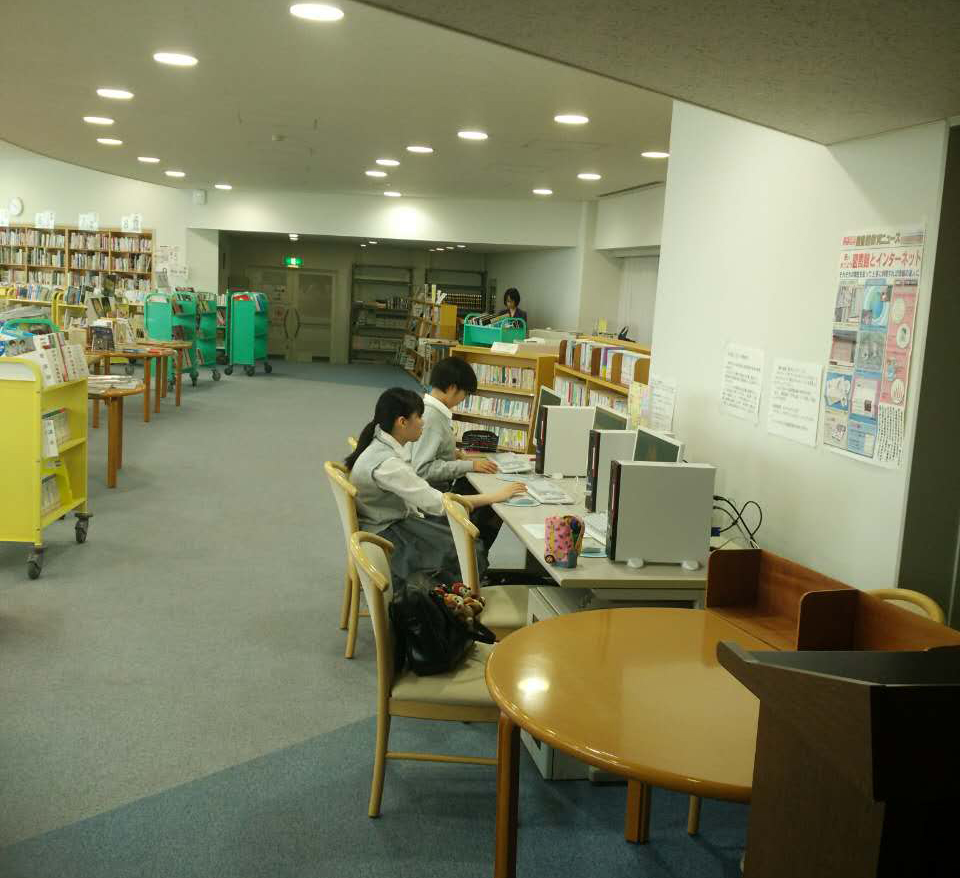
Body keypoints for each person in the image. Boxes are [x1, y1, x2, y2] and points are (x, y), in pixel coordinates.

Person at [345, 387, 525, 591]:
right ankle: (457, 598)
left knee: (464, 540)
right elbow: (440, 504)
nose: (423, 422)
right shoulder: (388, 465)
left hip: (386, 524)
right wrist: (495, 496)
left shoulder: (378, 443)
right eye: (419, 417)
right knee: (470, 549)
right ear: (402, 422)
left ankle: (459, 589)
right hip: (388, 536)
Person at [409, 357, 504, 551]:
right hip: (431, 500)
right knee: (492, 505)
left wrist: (454, 454)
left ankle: (471, 556)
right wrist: (470, 465)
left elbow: (426, 451)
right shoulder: (432, 418)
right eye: (465, 394)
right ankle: (471, 557)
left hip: (433, 492)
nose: (463, 399)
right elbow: (422, 469)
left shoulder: (429, 409)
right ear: (452, 388)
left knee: (483, 493)